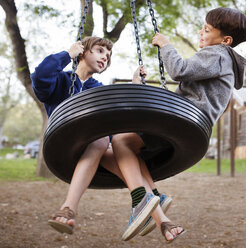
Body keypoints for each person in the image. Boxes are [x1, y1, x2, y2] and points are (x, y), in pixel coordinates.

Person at [112, 6, 246, 243]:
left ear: (225, 40)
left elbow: (179, 71)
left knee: (120, 141)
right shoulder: (224, 63)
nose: (201, 32)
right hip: (191, 127)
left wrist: (166, 45)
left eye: (207, 30)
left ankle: (140, 200)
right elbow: (181, 95)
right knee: (134, 151)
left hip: (184, 121)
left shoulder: (217, 53)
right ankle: (155, 197)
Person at [32, 36, 178, 243]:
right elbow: (41, 76)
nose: (105, 58)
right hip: (62, 147)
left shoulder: (97, 89)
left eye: (108, 56)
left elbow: (118, 113)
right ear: (82, 52)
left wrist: (135, 84)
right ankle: (68, 207)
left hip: (92, 151)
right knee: (101, 141)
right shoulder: (60, 81)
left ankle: (160, 217)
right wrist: (67, 54)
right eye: (100, 51)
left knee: (120, 154)